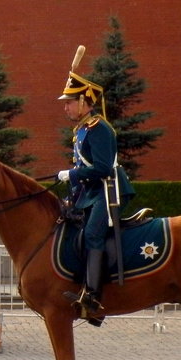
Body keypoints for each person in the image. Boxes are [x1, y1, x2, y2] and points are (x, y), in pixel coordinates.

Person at [56, 62, 134, 324]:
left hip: (109, 190)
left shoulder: (99, 128)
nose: (65, 107)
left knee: (92, 234)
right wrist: (71, 195)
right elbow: (83, 167)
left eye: (69, 102)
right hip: (91, 192)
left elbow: (101, 168)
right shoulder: (81, 130)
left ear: (84, 101)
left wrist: (72, 174)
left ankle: (93, 296)